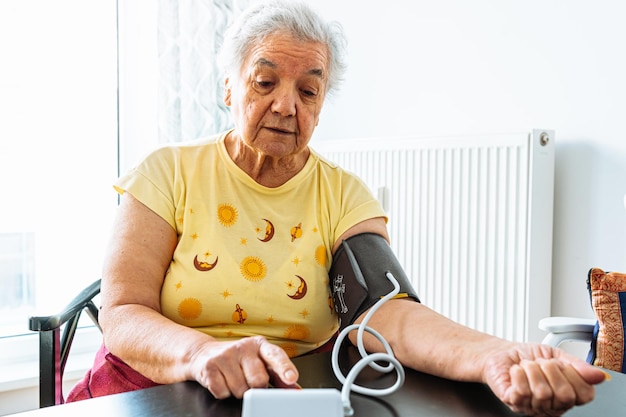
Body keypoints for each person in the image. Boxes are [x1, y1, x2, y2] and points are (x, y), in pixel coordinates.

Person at [67, 1, 607, 415]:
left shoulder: (344, 195)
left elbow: (387, 312)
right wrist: (200, 354)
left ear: (322, 106)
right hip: (158, 388)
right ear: (228, 88)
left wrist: (494, 356)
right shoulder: (168, 171)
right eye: (265, 81)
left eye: (309, 90)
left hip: (286, 399)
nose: (286, 105)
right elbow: (123, 312)